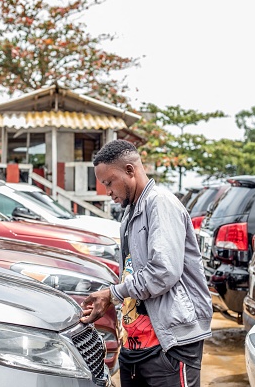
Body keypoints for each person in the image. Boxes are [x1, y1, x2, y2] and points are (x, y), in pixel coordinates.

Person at [81, 140, 213, 387]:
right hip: (136, 344)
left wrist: (113, 294)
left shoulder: (160, 203)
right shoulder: (129, 213)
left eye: (109, 183)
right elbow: (131, 274)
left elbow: (163, 272)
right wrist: (111, 301)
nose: (107, 192)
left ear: (130, 170)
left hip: (170, 345)